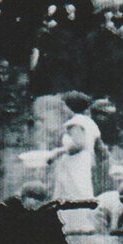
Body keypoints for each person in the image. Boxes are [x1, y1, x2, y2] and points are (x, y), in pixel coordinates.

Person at [49, 93, 103, 232]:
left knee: (74, 190)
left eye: (64, 105)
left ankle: (75, 224)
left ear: (70, 107)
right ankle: (81, 223)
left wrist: (57, 152)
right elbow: (97, 146)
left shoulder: (75, 122)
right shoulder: (89, 122)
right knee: (81, 189)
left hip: (75, 162)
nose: (62, 108)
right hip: (84, 161)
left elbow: (79, 143)